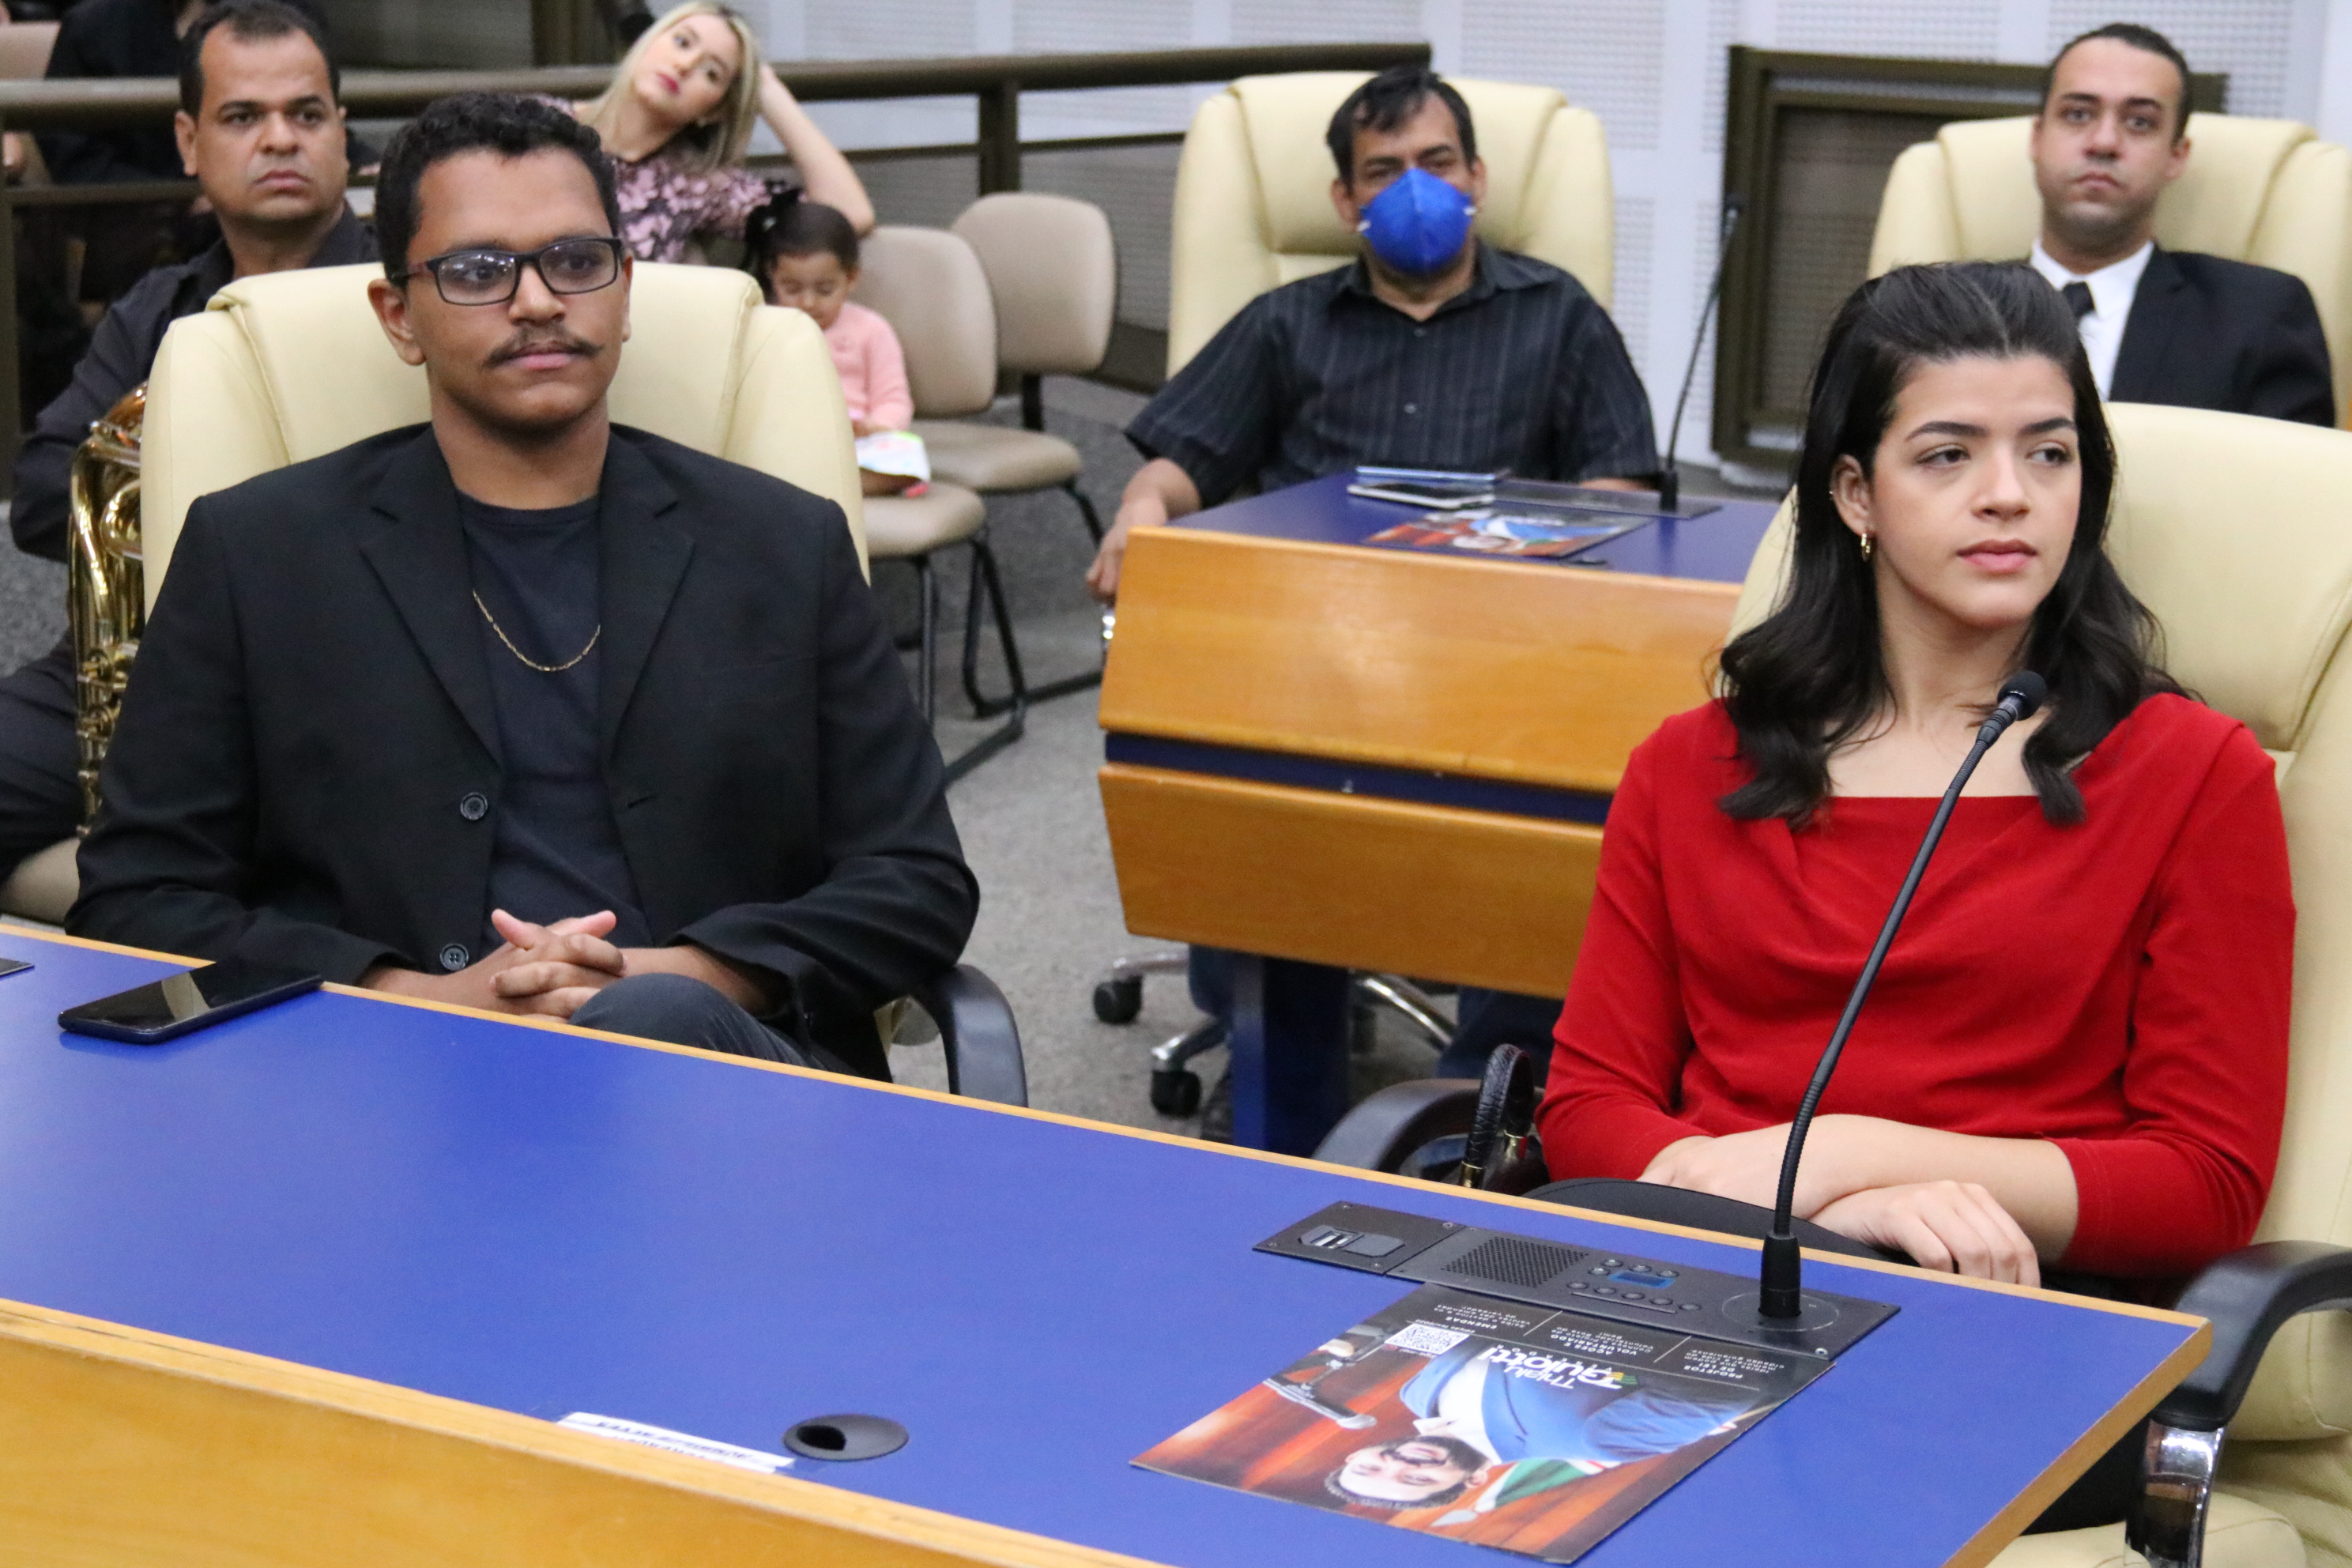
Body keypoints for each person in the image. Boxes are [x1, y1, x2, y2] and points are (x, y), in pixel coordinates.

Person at [68, 91, 977, 1079]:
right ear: (399, 317)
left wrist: (686, 976)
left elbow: (916, 877)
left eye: (577, 261)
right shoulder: (257, 552)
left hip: (727, 1088)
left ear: (624, 293)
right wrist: (412, 997)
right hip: (388, 1080)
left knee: (654, 1022)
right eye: (477, 271)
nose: (538, 300)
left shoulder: (784, 543)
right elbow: (137, 895)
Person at [1539, 262, 2291, 1299]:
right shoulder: (1690, 765)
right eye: (1948, 454)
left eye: (2050, 452)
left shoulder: (2196, 775)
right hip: (1699, 1289)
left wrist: (1839, 1158)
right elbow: (1587, 1108)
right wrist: (1828, 1217)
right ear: (1857, 493)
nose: (2009, 494)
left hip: (2006, 1312)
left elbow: (2205, 1185)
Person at [1091, 66, 1660, 1110]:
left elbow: (1619, 491)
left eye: (1437, 163)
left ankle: (1481, 1094)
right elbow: (1180, 465)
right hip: (1304, 661)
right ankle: (1280, 1051)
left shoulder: (1559, 315)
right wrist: (1140, 512)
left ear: (1478, 178)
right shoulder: (1285, 322)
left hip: (1502, 669)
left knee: (1545, 838)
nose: (1416, 188)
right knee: (1228, 792)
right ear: (1345, 199)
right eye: (1384, 170)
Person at [0, 0, 371, 888]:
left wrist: (162, 476)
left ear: (342, 133)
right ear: (189, 143)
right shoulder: (156, 308)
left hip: (340, 685)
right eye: (242, 117)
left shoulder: (401, 301)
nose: (279, 139)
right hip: (131, 677)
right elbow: (45, 494)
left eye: (306, 114)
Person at [2027, 22, 2333, 424]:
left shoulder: (2260, 316)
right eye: (2078, 114)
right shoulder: (1956, 308)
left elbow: (2290, 465)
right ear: (2036, 138)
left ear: (2177, 156)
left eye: (2140, 122)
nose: (2103, 142)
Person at [571, 1, 873, 263]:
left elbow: (850, 215)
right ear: (646, 42)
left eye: (712, 73)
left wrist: (766, 89)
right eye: (682, 42)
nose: (685, 64)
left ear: (715, 111)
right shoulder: (548, 123)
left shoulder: (696, 184)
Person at [747, 196, 919, 496]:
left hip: (857, 444)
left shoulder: (871, 330)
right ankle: (826, 487)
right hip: (790, 442)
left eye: (825, 290)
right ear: (772, 276)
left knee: (908, 461)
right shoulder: (762, 328)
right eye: (792, 289)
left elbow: (893, 398)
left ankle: (823, 487)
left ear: (850, 278)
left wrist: (878, 426)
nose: (808, 302)